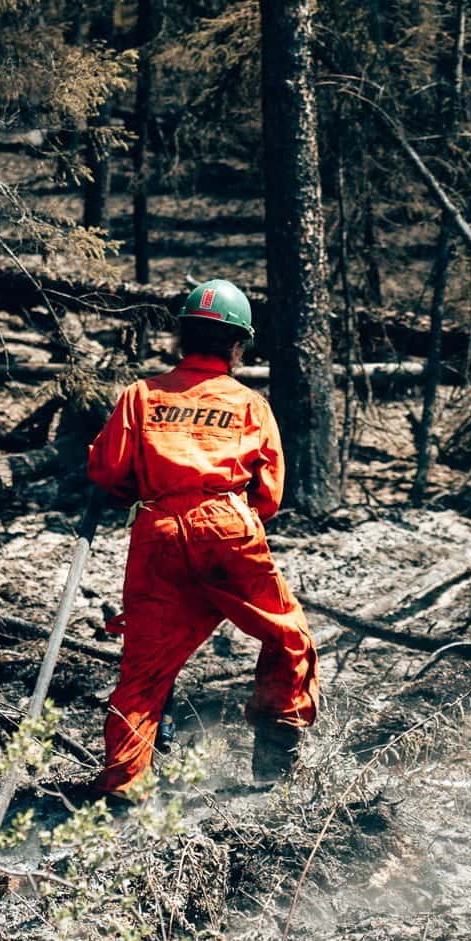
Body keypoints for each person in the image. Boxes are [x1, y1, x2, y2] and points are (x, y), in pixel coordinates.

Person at [84, 278, 319, 795]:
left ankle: (124, 788)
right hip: (227, 530)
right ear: (238, 345)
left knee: (144, 671)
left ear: (183, 337)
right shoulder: (250, 405)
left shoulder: (141, 395)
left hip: (158, 533)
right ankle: (275, 768)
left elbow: (106, 471)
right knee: (288, 637)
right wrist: (226, 525)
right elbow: (270, 495)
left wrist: (152, 498)